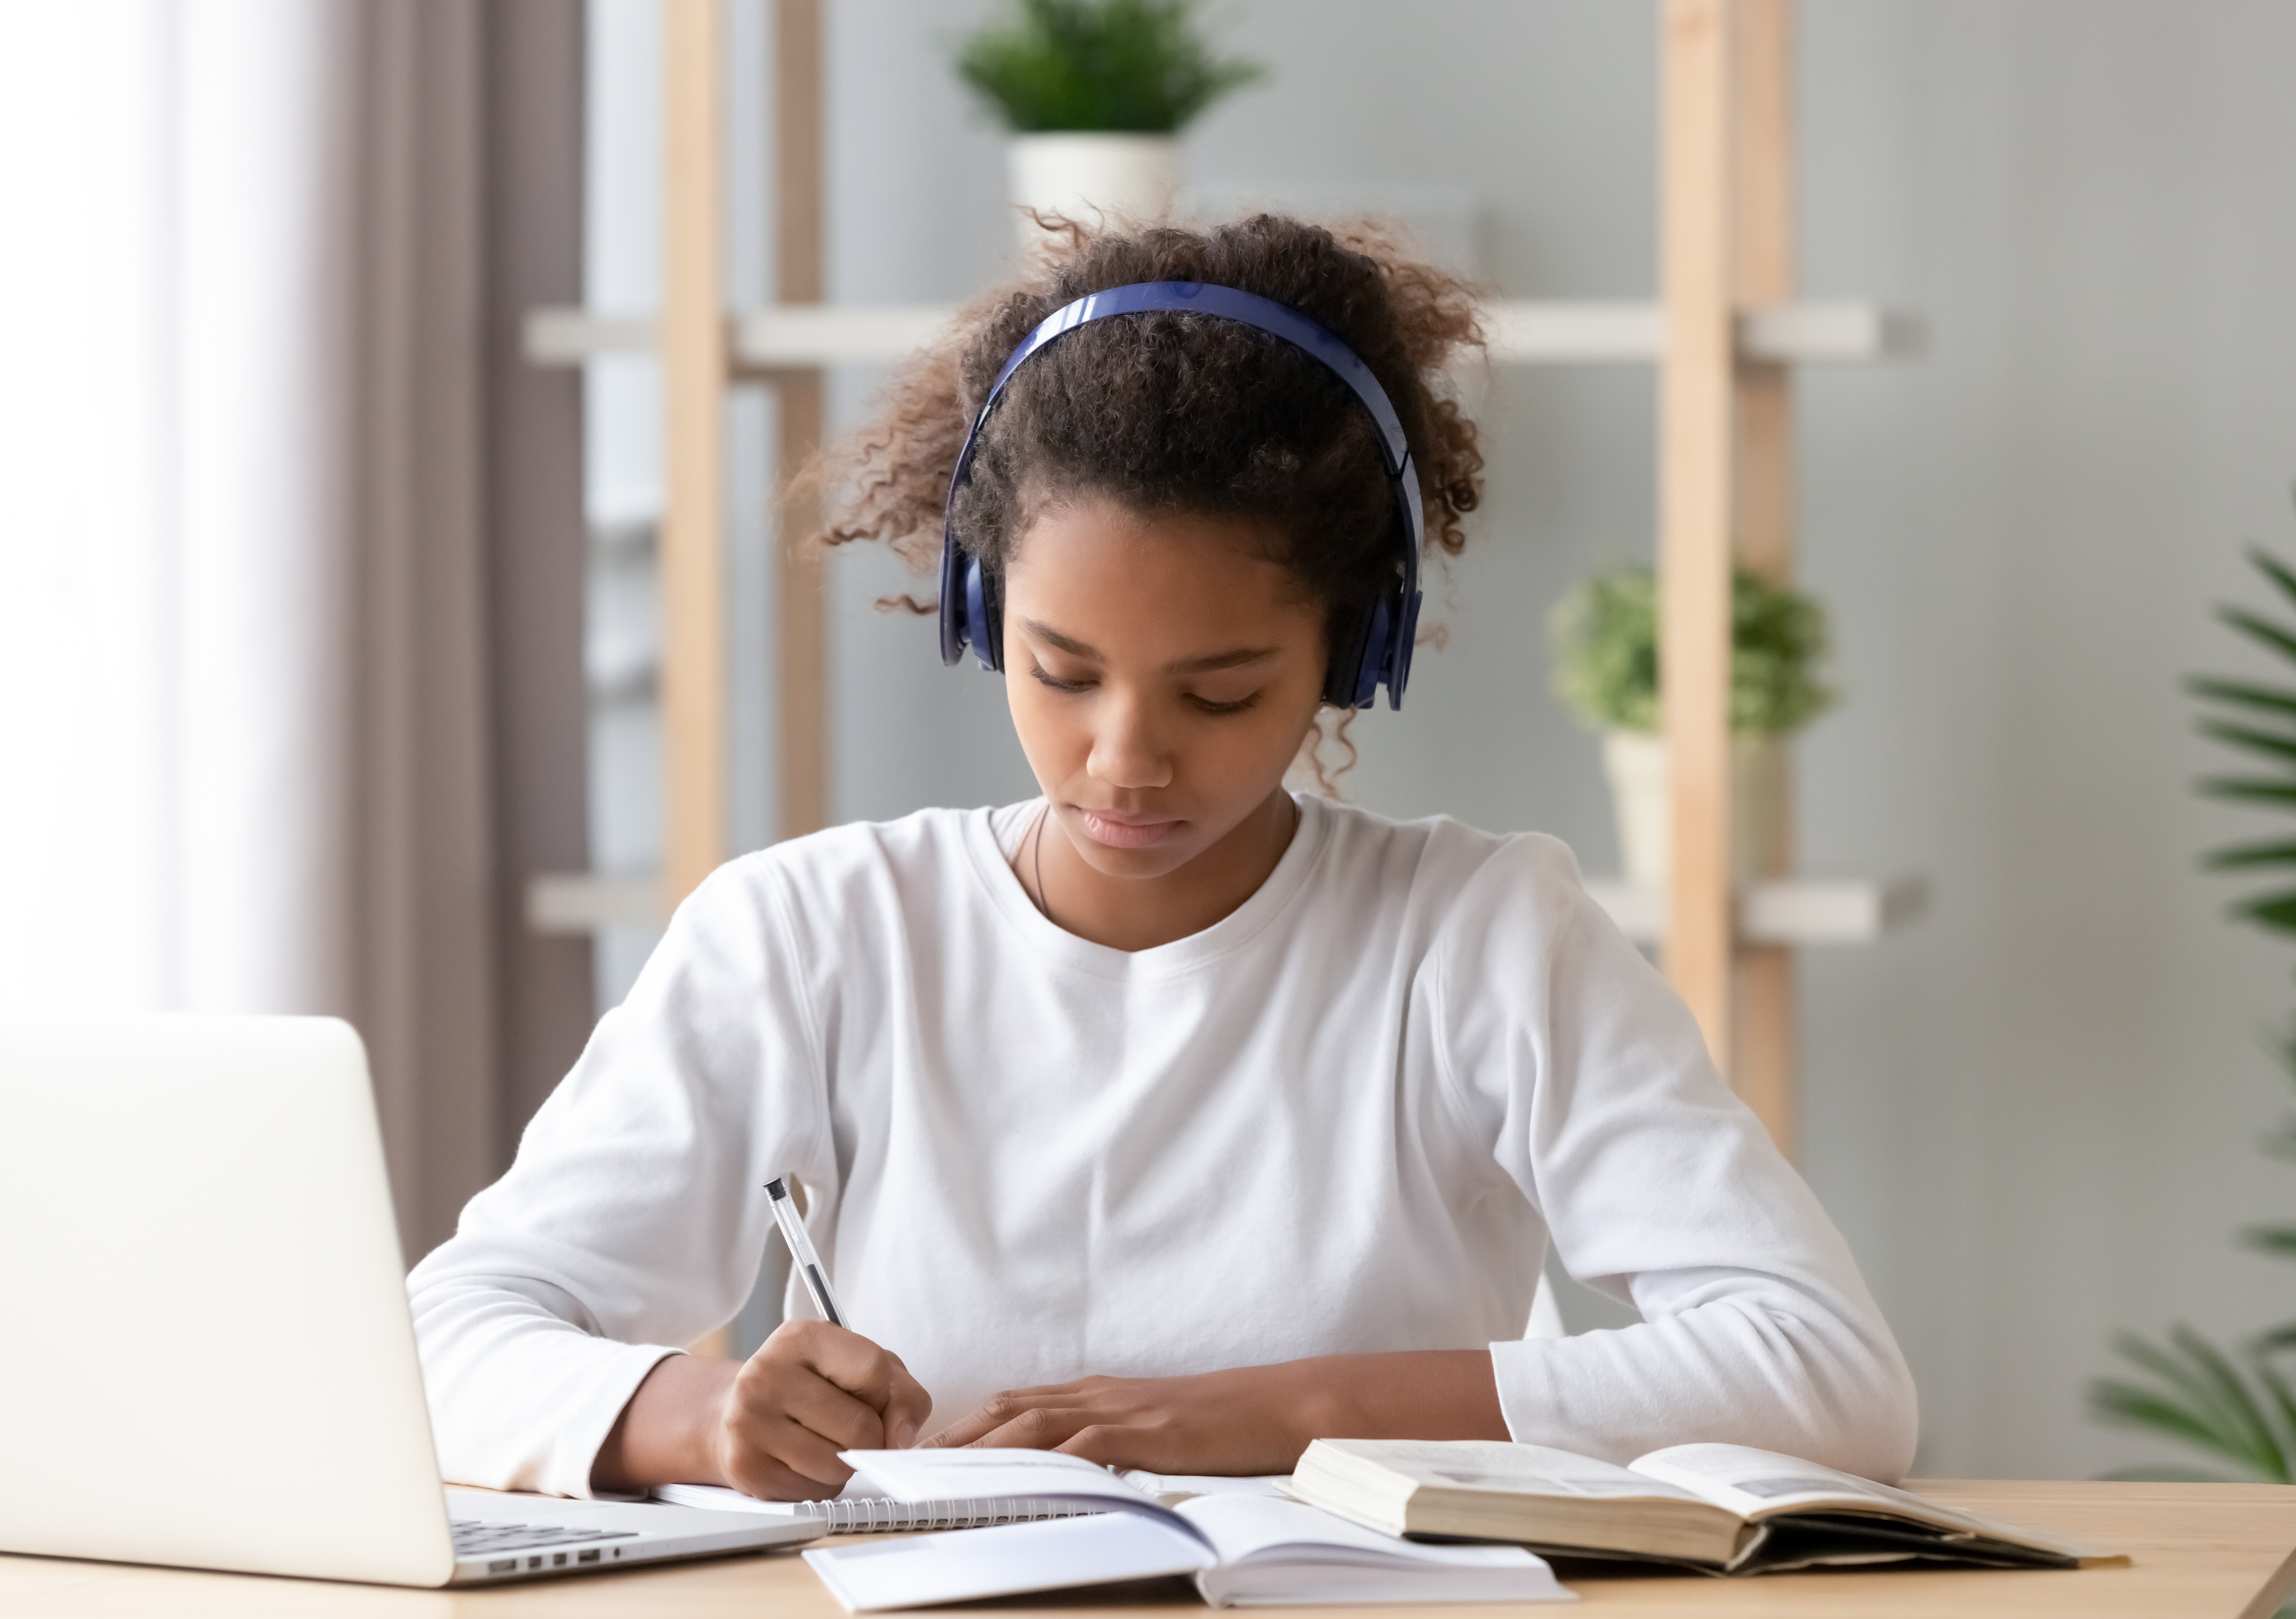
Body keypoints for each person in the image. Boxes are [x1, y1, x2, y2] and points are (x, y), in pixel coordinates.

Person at [407, 214, 1917, 1504]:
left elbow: (1830, 1372)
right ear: (983, 616)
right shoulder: (810, 929)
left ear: (1355, 650)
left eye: (1219, 692)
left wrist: (1275, 1413)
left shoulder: (1483, 935)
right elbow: (444, 1335)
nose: (1126, 757)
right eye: (1064, 673)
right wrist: (695, 1415)